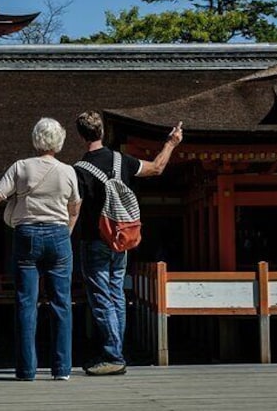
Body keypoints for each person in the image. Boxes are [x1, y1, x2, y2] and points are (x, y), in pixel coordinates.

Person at [74, 110, 183, 376]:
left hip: (95, 238)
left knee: (101, 298)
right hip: (122, 238)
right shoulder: (123, 161)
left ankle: (113, 355)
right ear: (104, 132)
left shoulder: (80, 170)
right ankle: (116, 352)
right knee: (116, 294)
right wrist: (171, 143)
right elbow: (157, 168)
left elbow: (73, 208)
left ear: (81, 136)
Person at [0, 118, 81, 381]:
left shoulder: (21, 167)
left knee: (27, 303)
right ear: (59, 142)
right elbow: (75, 207)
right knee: (61, 303)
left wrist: (17, 197)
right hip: (59, 234)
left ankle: (27, 370)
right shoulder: (68, 171)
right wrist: (66, 232)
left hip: (26, 233)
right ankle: (62, 369)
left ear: (35, 139)